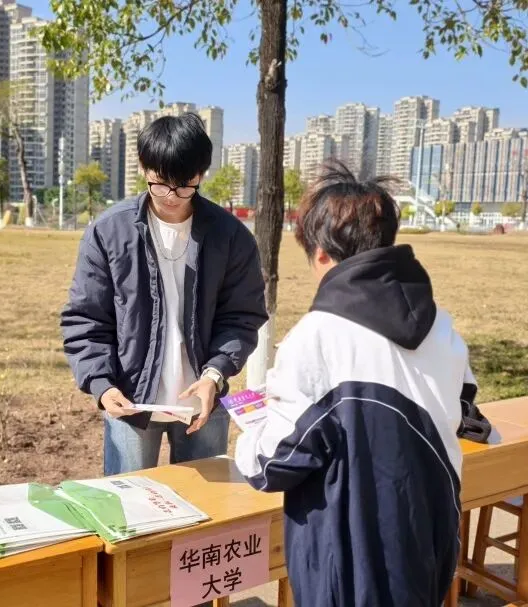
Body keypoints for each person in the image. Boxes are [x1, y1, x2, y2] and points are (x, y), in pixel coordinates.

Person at [234, 160, 475, 607]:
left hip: (347, 560)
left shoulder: (317, 336)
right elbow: (468, 413)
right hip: (431, 538)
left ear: (322, 255)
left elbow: (274, 463)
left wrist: (248, 438)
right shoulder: (442, 326)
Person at [61, 112, 268, 475]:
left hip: (203, 401)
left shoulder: (231, 236)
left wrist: (215, 375)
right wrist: (102, 385)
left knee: (202, 505)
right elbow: (86, 318)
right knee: (127, 502)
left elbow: (242, 317)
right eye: (160, 184)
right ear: (143, 168)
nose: (171, 196)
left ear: (201, 174)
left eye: (184, 185)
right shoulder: (109, 232)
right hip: (130, 400)